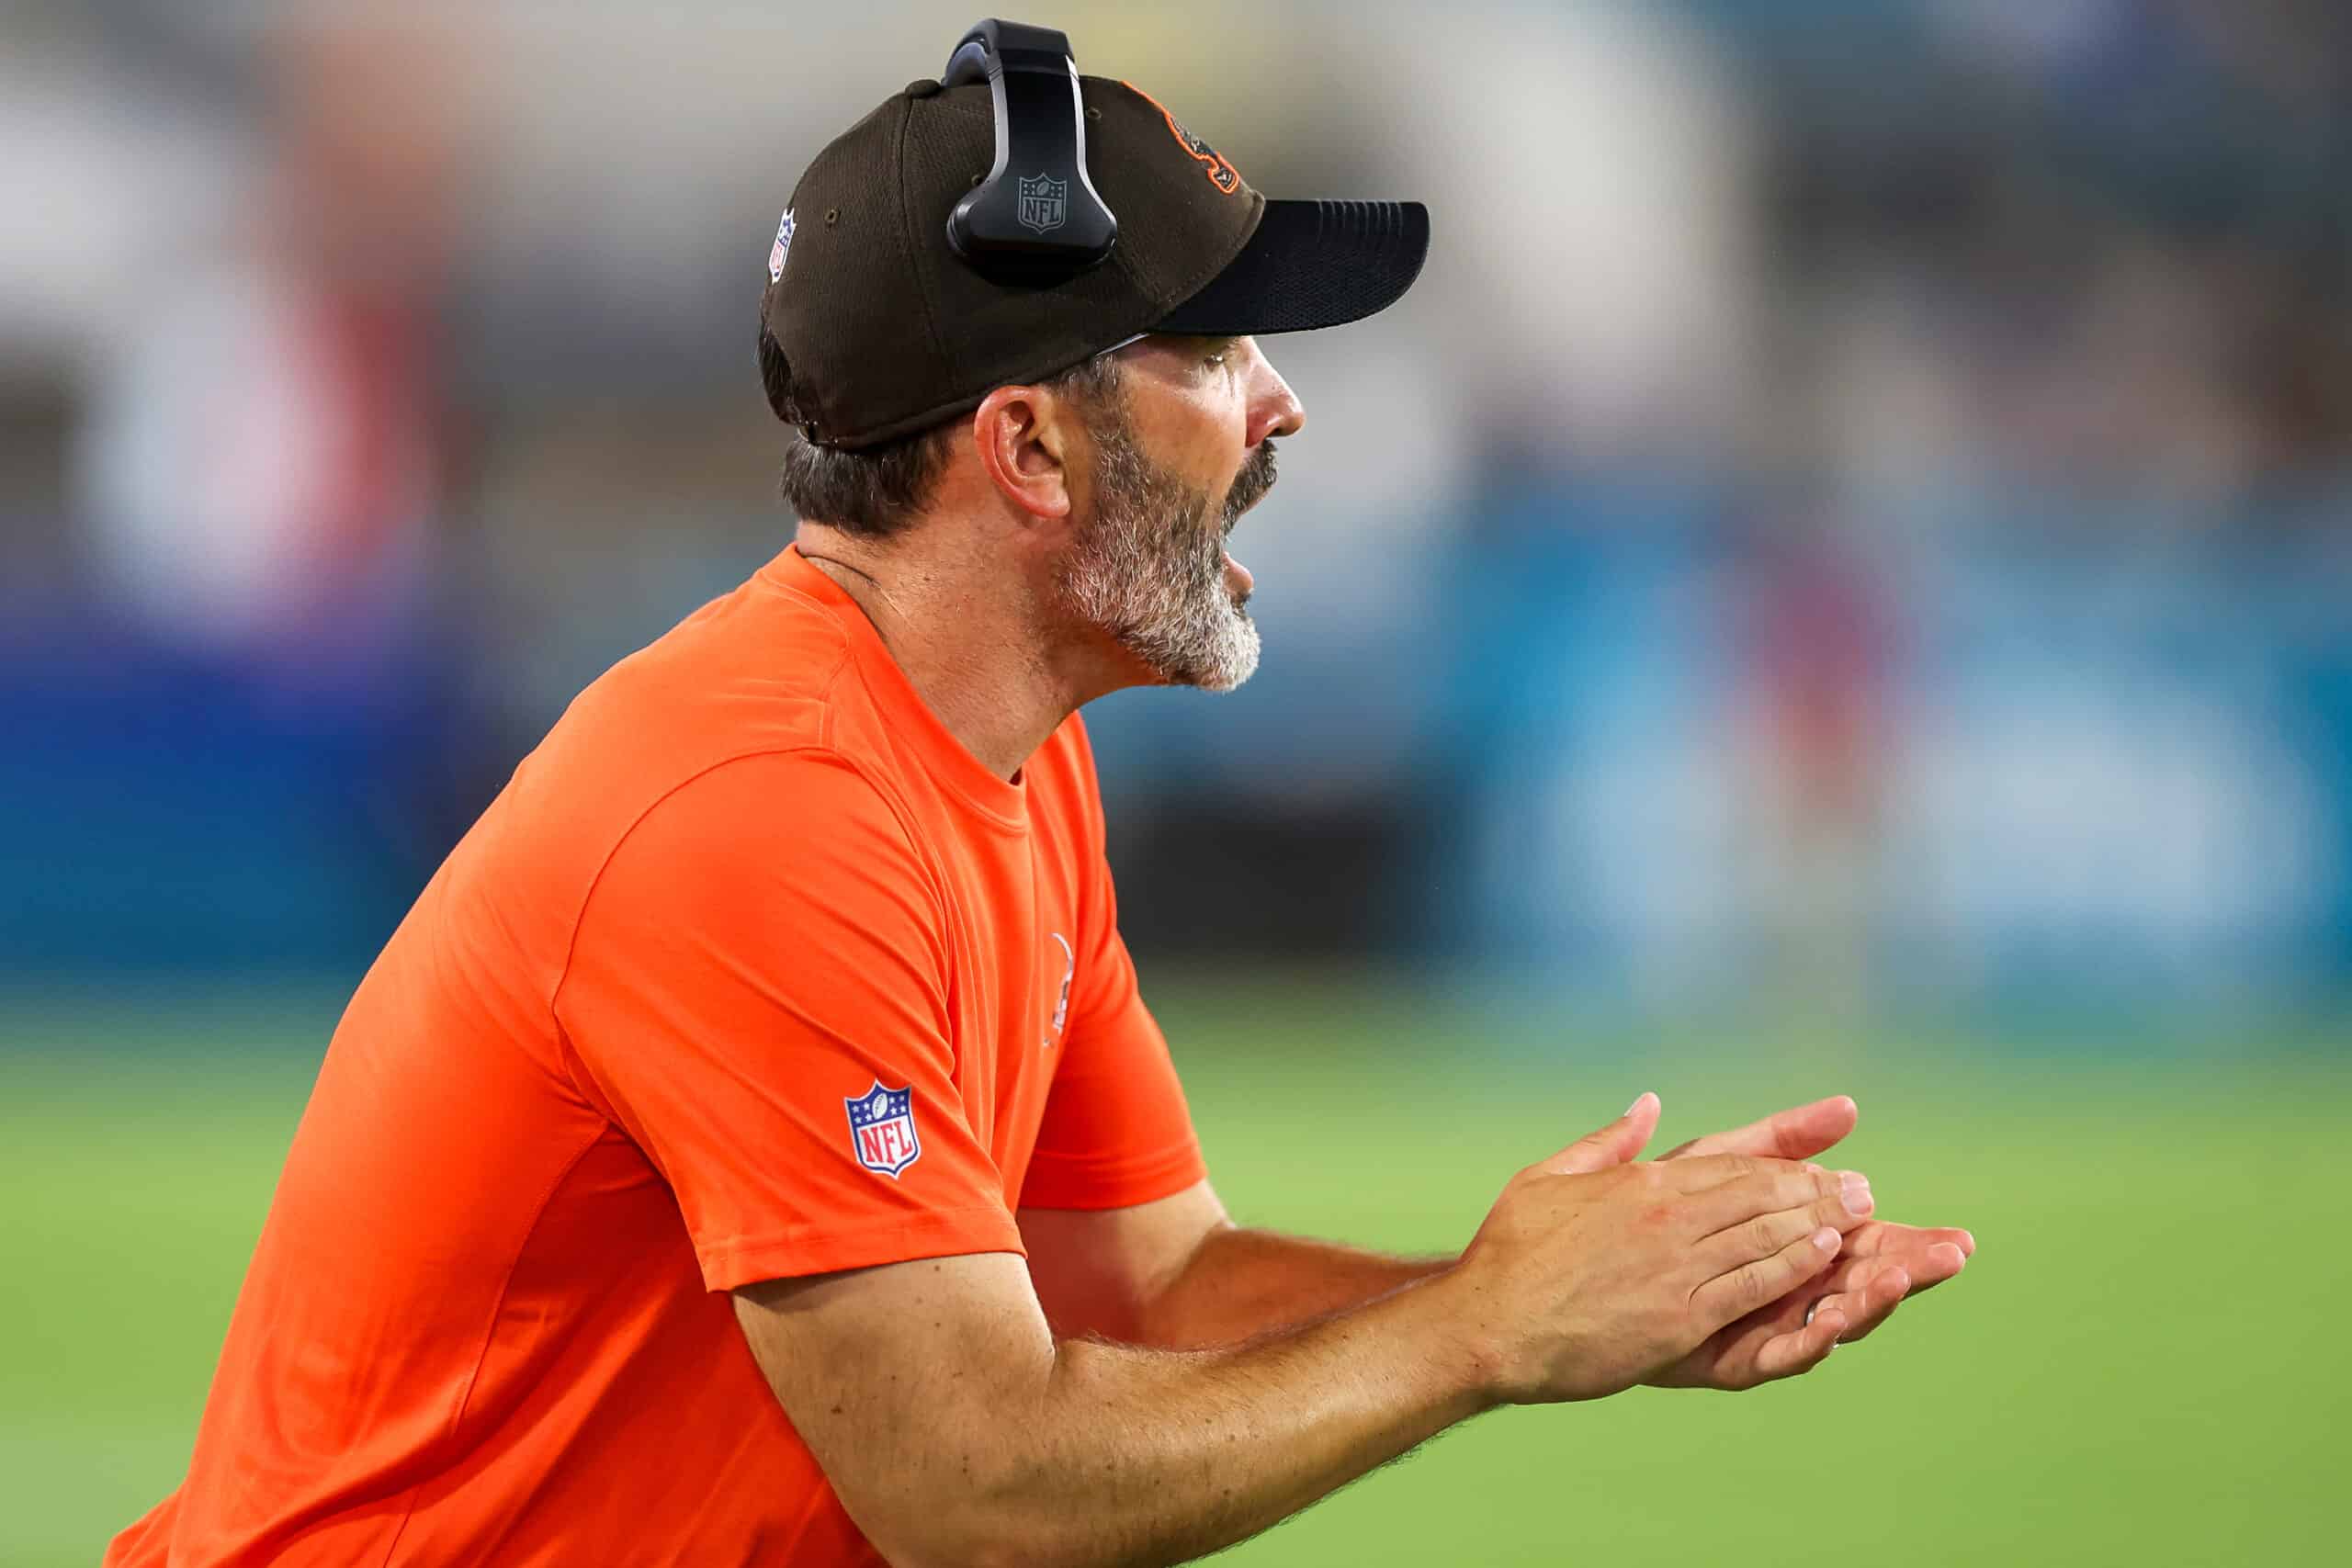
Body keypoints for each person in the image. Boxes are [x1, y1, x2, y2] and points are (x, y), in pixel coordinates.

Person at [107, 33, 1974, 1568]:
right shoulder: (765, 803)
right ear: (1024, 445)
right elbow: (975, 1484)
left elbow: (1144, 1286)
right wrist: (1480, 1329)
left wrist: (1568, 1296)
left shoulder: (999, 749)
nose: (1281, 409)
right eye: (1213, 350)